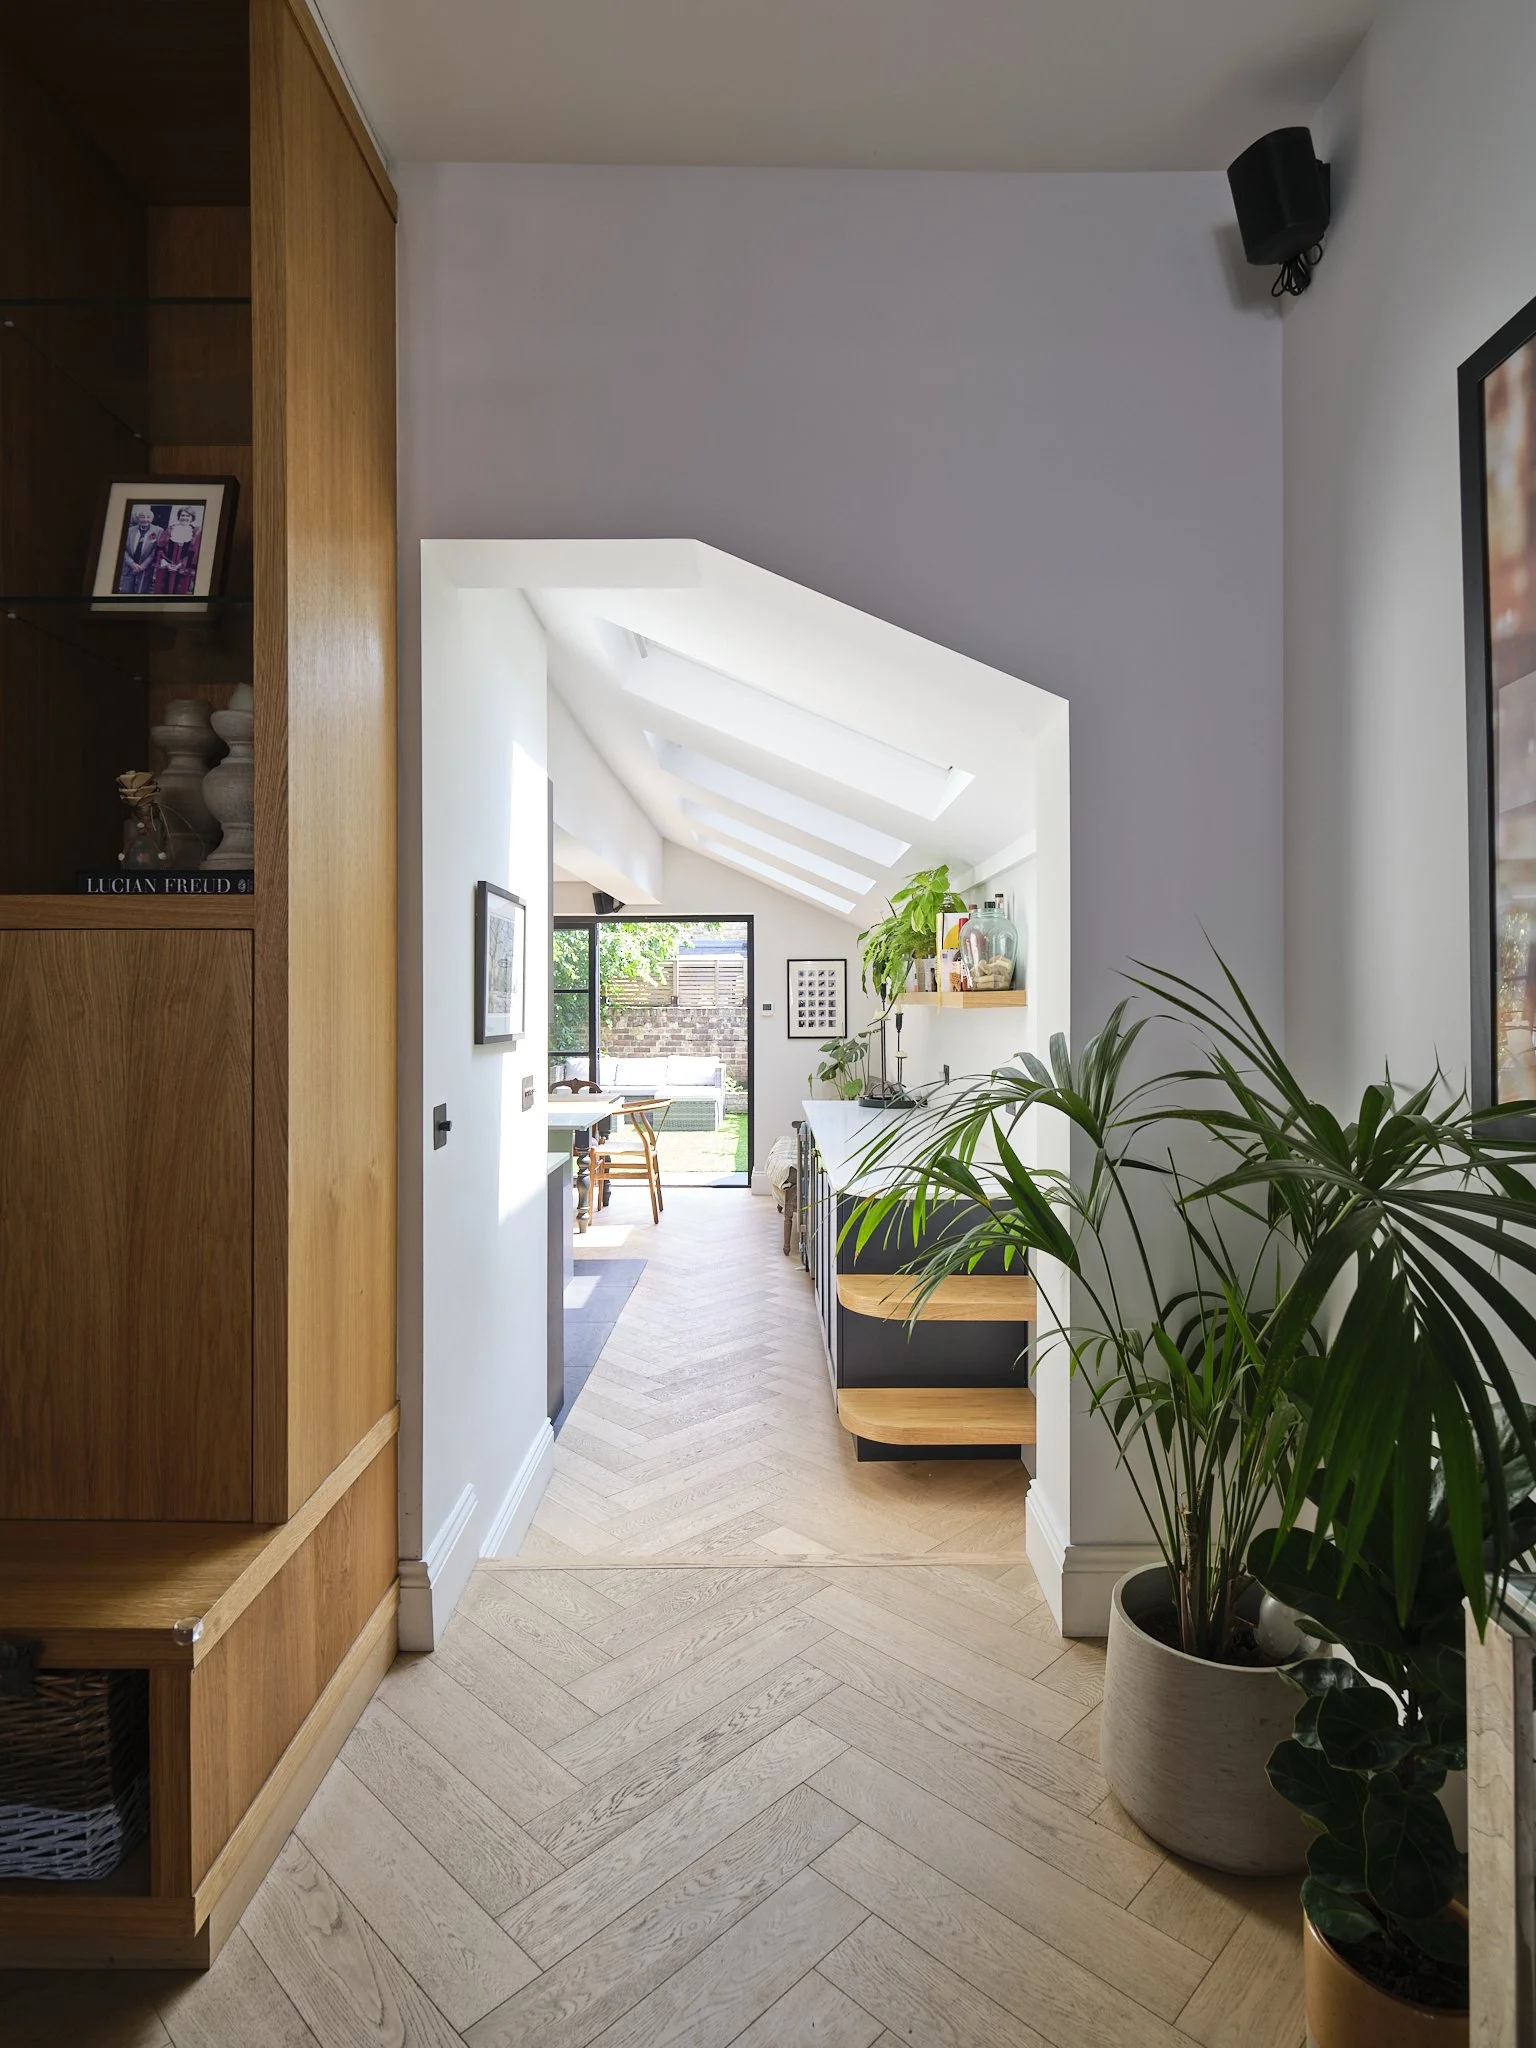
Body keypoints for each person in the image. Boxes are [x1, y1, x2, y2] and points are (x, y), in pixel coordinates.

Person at [153, 505, 203, 596]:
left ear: (192, 518)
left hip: (183, 570)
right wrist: (167, 564)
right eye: (182, 515)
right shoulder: (169, 530)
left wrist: (180, 565)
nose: (184, 518)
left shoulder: (196, 533)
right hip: (166, 568)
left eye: (188, 516)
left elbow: (194, 552)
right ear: (179, 516)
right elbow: (160, 547)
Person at [118, 503, 164, 594]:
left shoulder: (159, 531)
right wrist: (132, 564)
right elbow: (123, 548)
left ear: (152, 519)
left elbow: (155, 551)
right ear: (138, 518)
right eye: (142, 517)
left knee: (141, 592)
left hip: (146, 568)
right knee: (126, 591)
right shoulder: (130, 530)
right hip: (129, 566)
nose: (145, 520)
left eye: (148, 517)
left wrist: (143, 566)